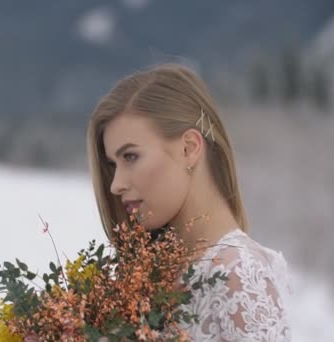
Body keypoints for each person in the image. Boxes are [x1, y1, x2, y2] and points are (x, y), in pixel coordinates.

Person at [86, 63, 293, 341]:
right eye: (113, 164)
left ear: (189, 148)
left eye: (130, 157)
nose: (115, 184)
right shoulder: (153, 276)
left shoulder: (239, 274)